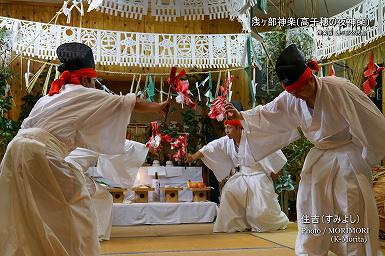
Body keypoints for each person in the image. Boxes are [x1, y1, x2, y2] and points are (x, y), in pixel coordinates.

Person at [0, 42, 168, 256]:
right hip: (42, 153)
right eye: (94, 81)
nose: (95, 85)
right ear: (87, 78)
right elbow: (128, 102)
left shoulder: (47, 98)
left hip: (15, 152)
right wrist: (156, 107)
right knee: (77, 207)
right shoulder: (86, 93)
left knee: (25, 210)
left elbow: (26, 127)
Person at [225, 44, 385, 255]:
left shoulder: (339, 88)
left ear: (311, 78)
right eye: (293, 92)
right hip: (320, 158)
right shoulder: (292, 97)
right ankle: (310, 251)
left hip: (348, 156)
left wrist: (370, 155)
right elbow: (270, 113)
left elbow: (369, 119)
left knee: (350, 208)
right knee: (309, 206)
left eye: (300, 90)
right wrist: (243, 117)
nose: (298, 96)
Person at [185, 118, 289, 233]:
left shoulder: (253, 138)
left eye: (229, 127)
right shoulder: (227, 141)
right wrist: (193, 156)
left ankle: (272, 220)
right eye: (225, 127)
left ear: (239, 128)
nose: (226, 131)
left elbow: (270, 147)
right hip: (242, 175)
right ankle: (238, 224)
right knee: (229, 191)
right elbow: (210, 148)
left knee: (260, 212)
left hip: (258, 175)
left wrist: (274, 170)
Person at [65, 139, 151, 241]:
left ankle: (84, 231)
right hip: (72, 172)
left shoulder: (81, 139)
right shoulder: (96, 139)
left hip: (64, 169)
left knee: (96, 197)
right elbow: (118, 145)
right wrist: (145, 148)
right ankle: (98, 234)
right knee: (104, 197)